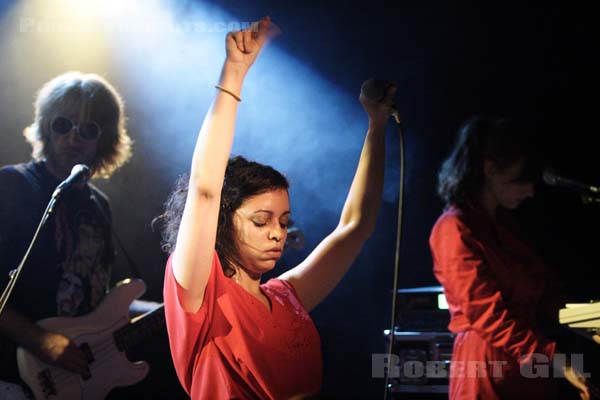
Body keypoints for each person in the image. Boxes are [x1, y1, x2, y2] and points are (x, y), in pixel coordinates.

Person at [158, 17, 395, 399]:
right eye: (261, 220)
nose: (277, 233)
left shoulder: (288, 298)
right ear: (223, 220)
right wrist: (234, 73)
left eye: (284, 222)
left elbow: (356, 225)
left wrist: (376, 126)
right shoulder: (200, 293)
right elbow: (205, 189)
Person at [429, 115, 590, 399]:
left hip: (529, 362)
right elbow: (488, 316)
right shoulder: (454, 228)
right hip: (488, 364)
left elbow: (543, 294)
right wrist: (552, 358)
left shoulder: (506, 228)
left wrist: (591, 318)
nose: (530, 191)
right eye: (521, 181)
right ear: (490, 170)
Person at [0, 72, 132, 391]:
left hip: (75, 381)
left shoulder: (99, 206)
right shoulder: (11, 185)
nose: (74, 137)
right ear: (46, 126)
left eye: (88, 130)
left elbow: (100, 295)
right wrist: (38, 340)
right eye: (63, 124)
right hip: (11, 375)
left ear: (105, 140)